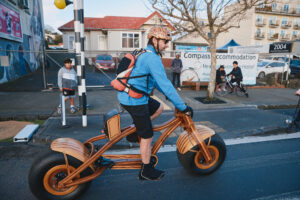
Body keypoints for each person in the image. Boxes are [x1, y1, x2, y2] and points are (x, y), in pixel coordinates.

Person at [117, 26, 192, 181]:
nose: (166, 45)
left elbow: (156, 82)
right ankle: (146, 170)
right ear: (154, 40)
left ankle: (134, 131)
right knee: (147, 135)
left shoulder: (145, 53)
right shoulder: (152, 57)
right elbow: (165, 84)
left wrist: (168, 95)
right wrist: (182, 107)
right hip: (134, 99)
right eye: (165, 41)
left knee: (157, 108)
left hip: (132, 95)